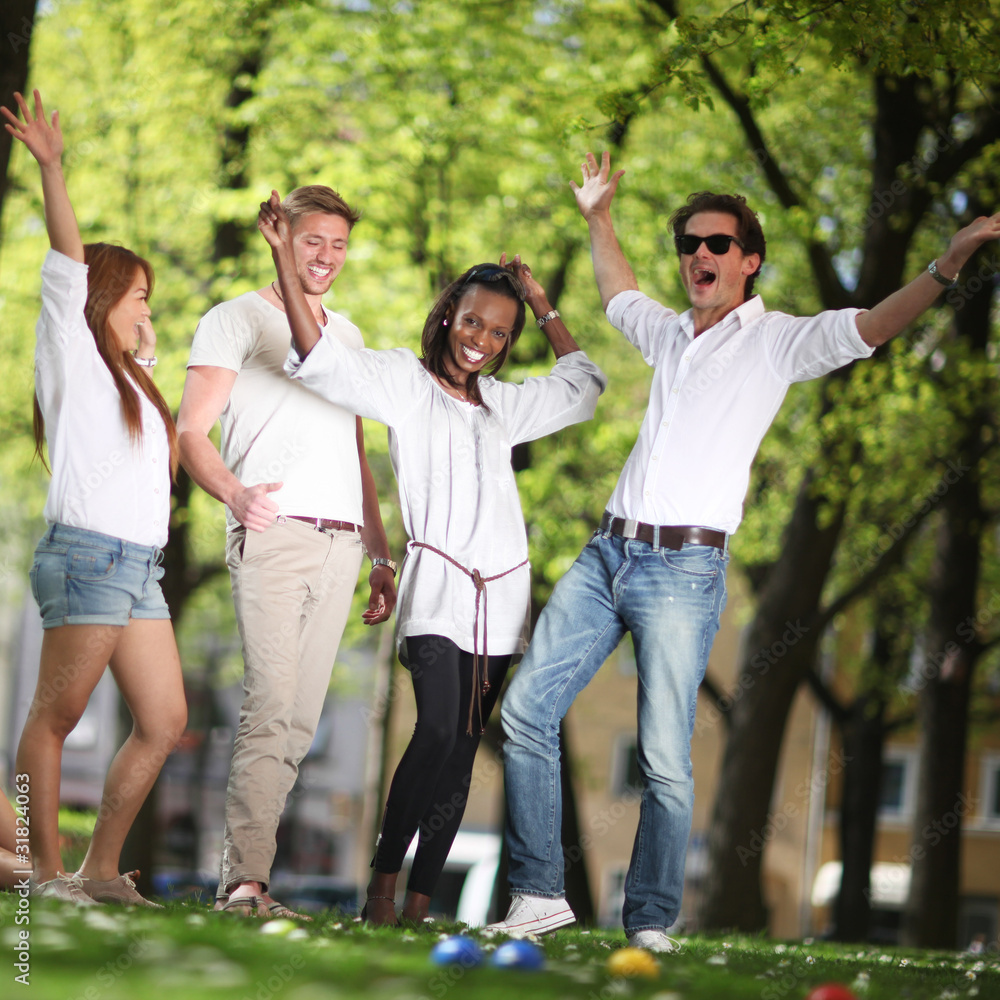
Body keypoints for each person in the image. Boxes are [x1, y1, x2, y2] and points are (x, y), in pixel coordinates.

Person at [490, 151, 1000, 950]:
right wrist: (599, 217)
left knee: (663, 755)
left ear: (749, 260)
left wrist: (951, 260)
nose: (700, 253)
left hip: (683, 572)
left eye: (718, 243)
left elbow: (873, 326)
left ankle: (649, 921)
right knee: (525, 709)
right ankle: (539, 894)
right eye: (689, 243)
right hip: (606, 554)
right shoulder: (668, 334)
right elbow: (618, 292)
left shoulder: (778, 342)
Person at [256, 189, 607, 925]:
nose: (482, 339)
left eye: (500, 331)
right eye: (473, 320)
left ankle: (420, 902)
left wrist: (542, 304)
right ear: (449, 313)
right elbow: (318, 358)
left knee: (465, 748)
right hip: (438, 588)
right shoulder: (403, 383)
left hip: (501, 596)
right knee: (438, 729)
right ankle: (383, 886)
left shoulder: (505, 406)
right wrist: (286, 257)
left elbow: (584, 387)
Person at [176, 186, 397, 918]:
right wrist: (236, 496)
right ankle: (242, 883)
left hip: (342, 545)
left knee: (299, 724)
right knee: (268, 705)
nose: (327, 256)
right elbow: (190, 432)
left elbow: (355, 451)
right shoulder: (234, 318)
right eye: (312, 241)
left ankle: (253, 882)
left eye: (338, 244)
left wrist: (380, 553)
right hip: (274, 532)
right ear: (283, 238)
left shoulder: (349, 336)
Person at [3, 90, 187, 907]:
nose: (148, 307)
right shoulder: (71, 350)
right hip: (87, 556)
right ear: (103, 293)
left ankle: (101, 872)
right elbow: (68, 259)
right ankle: (44, 873)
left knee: (165, 720)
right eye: (139, 293)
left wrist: (145, 350)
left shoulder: (130, 380)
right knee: (55, 719)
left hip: (137, 567)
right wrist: (53, 168)